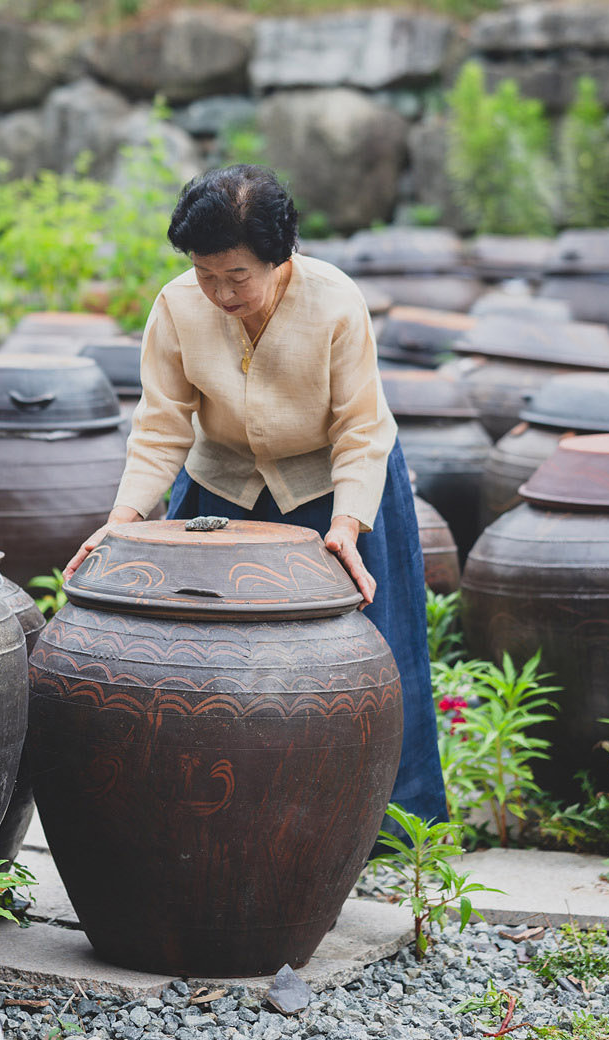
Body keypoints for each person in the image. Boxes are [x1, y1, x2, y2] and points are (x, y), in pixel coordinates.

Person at [65, 163, 446, 825]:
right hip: (224, 482)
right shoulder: (176, 305)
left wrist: (348, 524)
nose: (218, 291)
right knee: (200, 656)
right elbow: (160, 425)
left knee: (368, 651)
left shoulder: (333, 300)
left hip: (333, 483)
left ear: (279, 255)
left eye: (235, 274)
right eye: (204, 273)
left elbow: (360, 426)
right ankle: (222, 814)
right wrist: (123, 519)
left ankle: (374, 824)